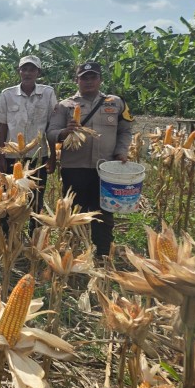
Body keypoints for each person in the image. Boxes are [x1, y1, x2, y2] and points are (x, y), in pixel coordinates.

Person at [48, 61, 133, 257]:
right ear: (76, 80)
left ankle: (102, 252)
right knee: (74, 211)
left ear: (100, 79)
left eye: (92, 77)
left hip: (106, 168)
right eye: (83, 78)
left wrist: (121, 151)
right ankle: (74, 253)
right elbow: (50, 134)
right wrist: (64, 132)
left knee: (104, 211)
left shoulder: (116, 102)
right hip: (74, 167)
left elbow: (125, 131)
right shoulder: (64, 105)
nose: (88, 81)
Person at [0, 56, 57, 218]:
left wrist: (52, 157)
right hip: (12, 157)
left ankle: (34, 234)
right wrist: (1, 156)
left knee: (36, 200)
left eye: (32, 69)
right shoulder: (7, 94)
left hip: (38, 157)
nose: (28, 73)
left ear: (38, 72)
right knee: (11, 197)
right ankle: (10, 237)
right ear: (19, 71)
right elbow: (2, 126)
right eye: (24, 69)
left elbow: (52, 127)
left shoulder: (47, 93)